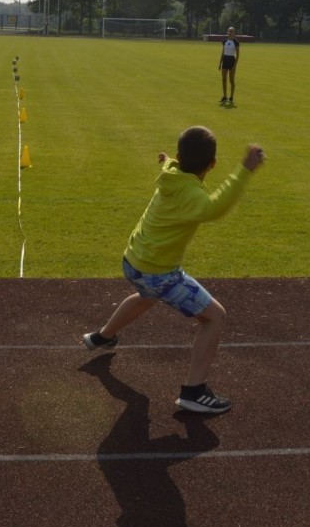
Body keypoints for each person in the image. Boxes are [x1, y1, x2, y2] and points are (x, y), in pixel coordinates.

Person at [82, 125, 265, 414]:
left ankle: (101, 337)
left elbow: (171, 163)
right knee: (215, 317)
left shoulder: (171, 174)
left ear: (179, 157)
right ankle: (193, 391)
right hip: (158, 272)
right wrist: (244, 170)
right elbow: (214, 207)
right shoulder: (190, 193)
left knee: (147, 296)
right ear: (212, 164)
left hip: (133, 262)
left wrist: (167, 159)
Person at [219, 27, 239, 105]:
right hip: (225, 60)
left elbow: (237, 56)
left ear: (234, 32)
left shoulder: (236, 42)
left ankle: (231, 97)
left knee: (231, 80)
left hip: (231, 60)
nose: (230, 32)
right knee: (224, 79)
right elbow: (222, 52)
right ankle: (225, 96)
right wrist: (220, 63)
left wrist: (234, 66)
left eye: (232, 31)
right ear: (227, 32)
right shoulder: (225, 41)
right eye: (229, 31)